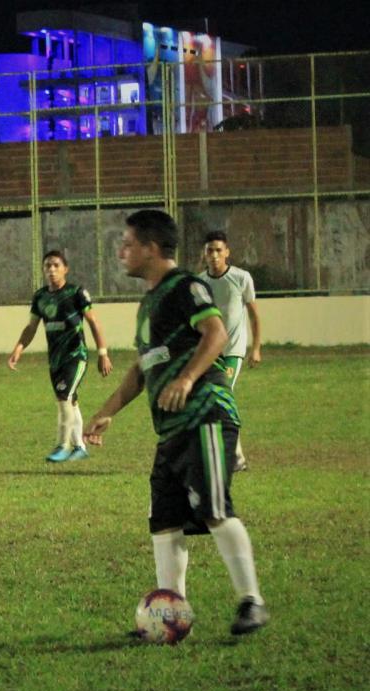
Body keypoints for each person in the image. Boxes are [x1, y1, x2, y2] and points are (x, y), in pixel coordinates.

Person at [84, 210, 268, 635]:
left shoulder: (186, 287)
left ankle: (252, 601)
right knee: (164, 520)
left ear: (150, 249)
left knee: (213, 508)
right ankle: (171, 612)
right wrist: (106, 411)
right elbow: (142, 367)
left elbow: (217, 334)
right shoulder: (149, 302)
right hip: (171, 429)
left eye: (128, 244)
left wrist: (186, 378)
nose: (121, 252)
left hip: (205, 415)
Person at [8, 250, 113, 462]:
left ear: (66, 269)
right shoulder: (40, 297)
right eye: (47, 266)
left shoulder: (76, 293)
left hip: (76, 356)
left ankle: (62, 445)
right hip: (55, 359)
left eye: (56, 265)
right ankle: (80, 447)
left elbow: (93, 322)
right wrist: (19, 348)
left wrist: (103, 353)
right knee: (70, 400)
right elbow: (31, 327)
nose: (52, 269)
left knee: (63, 398)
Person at [201, 231, 260, 471]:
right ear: (204, 254)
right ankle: (235, 456)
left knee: (221, 397)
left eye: (218, 250)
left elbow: (254, 315)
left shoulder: (241, 278)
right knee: (213, 400)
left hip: (233, 350)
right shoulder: (199, 283)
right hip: (209, 351)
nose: (214, 255)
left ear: (227, 252)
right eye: (210, 250)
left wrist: (256, 347)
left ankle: (232, 457)